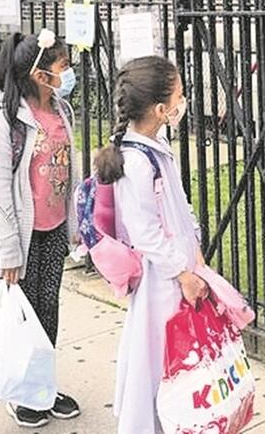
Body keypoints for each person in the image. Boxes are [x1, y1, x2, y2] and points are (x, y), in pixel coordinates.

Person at [95, 56, 206, 434]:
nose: (183, 100)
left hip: (178, 269)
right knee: (160, 357)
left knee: (173, 355)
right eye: (179, 95)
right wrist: (182, 271)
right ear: (161, 109)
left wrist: (195, 251)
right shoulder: (137, 161)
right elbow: (145, 232)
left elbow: (177, 203)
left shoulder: (155, 145)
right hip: (163, 280)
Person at [0, 30, 82, 428]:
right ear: (40, 74)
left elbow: (68, 174)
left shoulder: (61, 110)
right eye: (62, 66)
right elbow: (0, 187)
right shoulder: (8, 119)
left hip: (53, 228)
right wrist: (8, 250)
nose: (68, 72)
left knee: (48, 310)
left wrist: (72, 223)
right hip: (20, 236)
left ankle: (44, 386)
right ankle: (23, 392)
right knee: (24, 317)